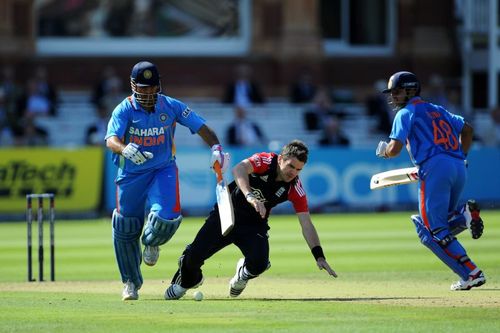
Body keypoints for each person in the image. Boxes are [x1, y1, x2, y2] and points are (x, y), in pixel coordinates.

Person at [105, 61, 229, 301]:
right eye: (143, 89)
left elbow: (201, 126)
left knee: (168, 219)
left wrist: (216, 146)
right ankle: (130, 282)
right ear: (133, 87)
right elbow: (111, 139)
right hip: (131, 175)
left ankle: (151, 242)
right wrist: (124, 149)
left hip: (163, 170)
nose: (149, 93)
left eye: (152, 88)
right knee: (125, 227)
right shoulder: (124, 110)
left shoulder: (170, 106)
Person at [164, 140, 337, 300]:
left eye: (299, 169)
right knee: (192, 258)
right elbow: (239, 169)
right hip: (227, 214)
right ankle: (188, 281)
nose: (294, 172)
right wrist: (250, 196)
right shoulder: (265, 160)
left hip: (254, 225)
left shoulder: (294, 188)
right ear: (281, 159)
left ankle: (243, 274)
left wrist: (319, 256)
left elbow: (306, 223)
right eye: (291, 166)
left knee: (260, 263)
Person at [375, 71, 485, 291]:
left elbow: (395, 150)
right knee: (442, 223)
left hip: (433, 168)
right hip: (457, 166)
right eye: (392, 92)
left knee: (431, 231)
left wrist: (384, 151)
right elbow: (468, 129)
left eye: (397, 91)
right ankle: (464, 215)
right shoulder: (437, 109)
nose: (393, 96)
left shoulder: (405, 113)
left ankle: (471, 273)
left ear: (410, 90)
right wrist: (461, 156)